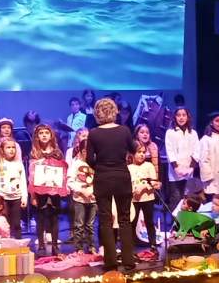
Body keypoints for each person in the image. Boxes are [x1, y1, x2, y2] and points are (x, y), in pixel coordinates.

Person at [86, 98, 137, 271]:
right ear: (114, 111)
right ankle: (129, 261)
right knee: (124, 220)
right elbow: (133, 149)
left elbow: (88, 159)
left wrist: (100, 167)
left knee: (106, 221)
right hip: (122, 177)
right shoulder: (124, 130)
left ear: (97, 113)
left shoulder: (93, 133)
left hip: (103, 178)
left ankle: (111, 262)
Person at [27, 123, 67, 256]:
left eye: (46, 133)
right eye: (41, 133)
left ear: (51, 135)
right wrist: (32, 195)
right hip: (39, 191)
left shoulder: (57, 152)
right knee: (41, 218)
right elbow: (32, 175)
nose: (44, 135)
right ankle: (41, 245)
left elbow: (62, 172)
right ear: (37, 136)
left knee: (54, 217)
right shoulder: (34, 153)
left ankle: (55, 245)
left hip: (55, 190)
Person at [163, 107, 198, 223]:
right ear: (175, 117)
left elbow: (197, 151)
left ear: (188, 117)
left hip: (189, 172)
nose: (181, 117)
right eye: (179, 115)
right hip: (175, 173)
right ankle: (175, 224)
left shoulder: (193, 133)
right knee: (176, 198)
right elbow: (170, 151)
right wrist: (176, 168)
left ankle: (187, 224)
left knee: (188, 199)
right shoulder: (170, 132)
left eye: (184, 115)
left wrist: (190, 168)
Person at [66, 130, 97, 254]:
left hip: (93, 198)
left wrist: (95, 192)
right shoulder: (76, 164)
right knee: (79, 224)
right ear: (83, 151)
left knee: (90, 225)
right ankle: (78, 247)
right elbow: (70, 181)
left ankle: (91, 246)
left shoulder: (95, 164)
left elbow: (98, 180)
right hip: (79, 199)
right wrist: (81, 191)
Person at [0, 138, 26, 240]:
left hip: (16, 198)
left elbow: (23, 181)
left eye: (13, 147)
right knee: (5, 222)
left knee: (16, 223)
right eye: (8, 147)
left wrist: (24, 197)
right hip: (3, 198)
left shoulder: (18, 164)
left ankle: (18, 243)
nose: (11, 150)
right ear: (2, 150)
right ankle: (6, 243)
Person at [130, 145, 161, 248]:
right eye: (139, 152)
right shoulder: (129, 168)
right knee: (132, 221)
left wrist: (143, 187)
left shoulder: (149, 166)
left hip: (147, 198)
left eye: (143, 152)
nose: (142, 155)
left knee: (149, 221)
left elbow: (154, 182)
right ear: (133, 154)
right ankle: (132, 245)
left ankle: (153, 243)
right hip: (134, 199)